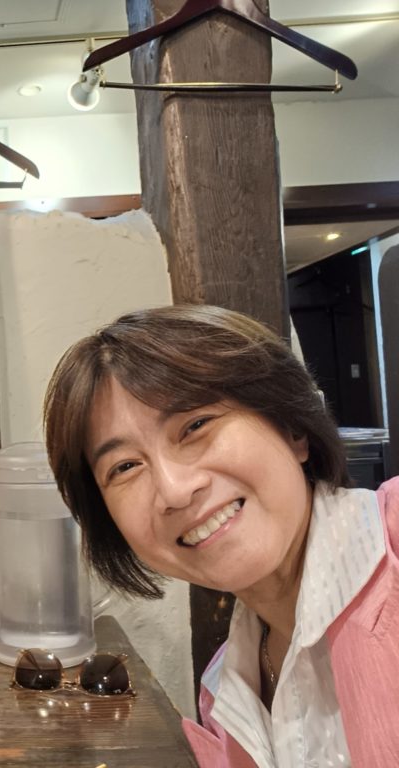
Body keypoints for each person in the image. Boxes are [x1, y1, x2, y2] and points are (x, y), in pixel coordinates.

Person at [43, 304, 399, 767]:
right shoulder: (225, 697)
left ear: (292, 427)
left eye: (195, 425)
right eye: (125, 466)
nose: (174, 489)